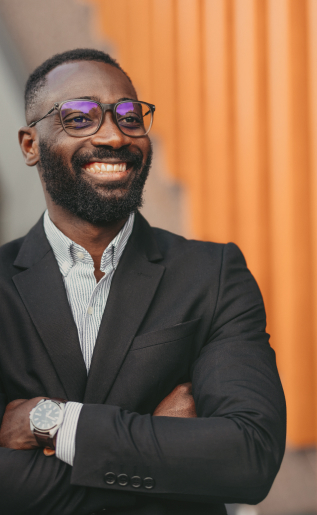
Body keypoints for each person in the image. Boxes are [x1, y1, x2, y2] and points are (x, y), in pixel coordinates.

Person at [0, 49, 286, 515]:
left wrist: (53, 423)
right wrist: (161, 448)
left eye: (130, 116)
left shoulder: (211, 274)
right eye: (80, 118)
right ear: (31, 145)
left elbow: (248, 456)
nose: (114, 135)